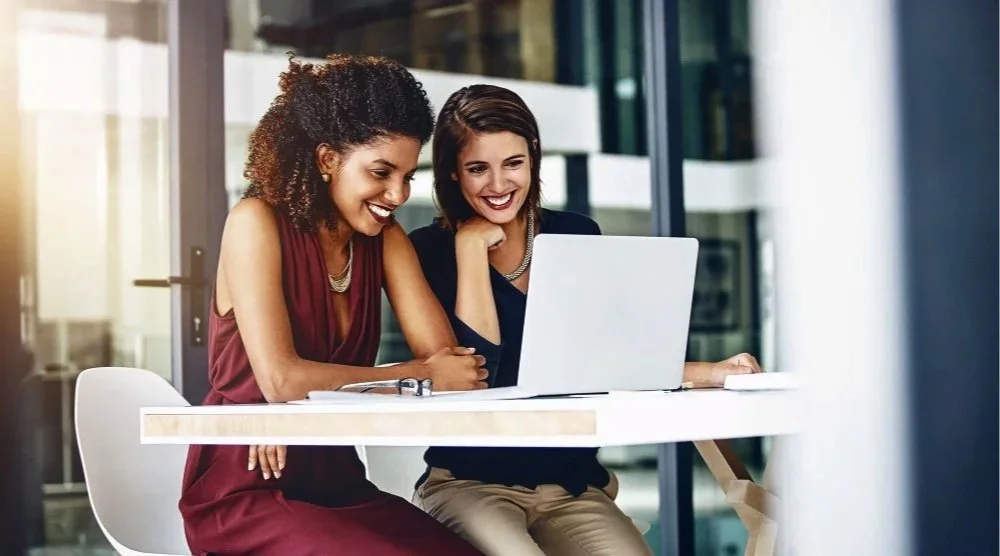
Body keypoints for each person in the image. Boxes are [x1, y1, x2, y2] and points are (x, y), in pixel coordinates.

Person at [408, 84, 764, 556]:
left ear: (533, 156)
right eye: (478, 168)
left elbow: (604, 361)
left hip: (569, 485)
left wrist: (712, 372)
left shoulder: (576, 233)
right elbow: (477, 371)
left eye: (512, 163)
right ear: (453, 173)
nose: (498, 184)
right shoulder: (429, 250)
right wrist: (470, 250)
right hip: (469, 484)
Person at [179, 54, 486, 556]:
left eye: (409, 176)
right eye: (382, 171)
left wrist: (423, 374)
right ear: (327, 159)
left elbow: (450, 364)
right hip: (249, 484)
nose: (398, 194)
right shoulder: (255, 222)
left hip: (337, 478)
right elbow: (281, 380)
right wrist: (414, 377)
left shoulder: (383, 241)